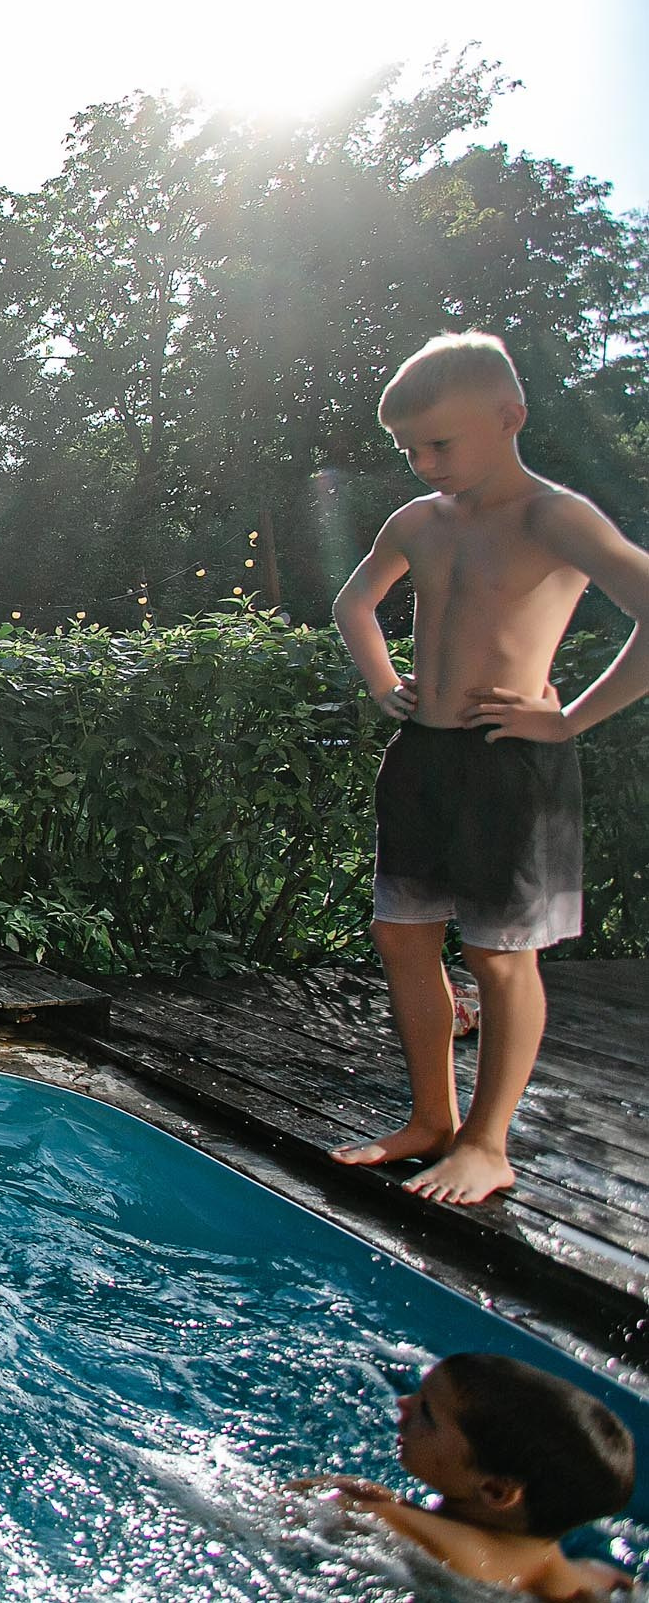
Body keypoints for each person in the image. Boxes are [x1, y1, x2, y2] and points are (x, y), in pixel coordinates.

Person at [329, 331, 649, 1205]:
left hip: (510, 762)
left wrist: (572, 718)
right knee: (402, 935)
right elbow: (353, 601)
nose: (424, 462)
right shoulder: (418, 522)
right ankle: (431, 1118)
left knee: (498, 956)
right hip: (422, 756)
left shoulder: (553, 517)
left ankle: (488, 1142)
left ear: (510, 417)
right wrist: (385, 682)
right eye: (410, 449)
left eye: (441, 443)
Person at [295, 1353, 636, 1600]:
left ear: (495, 1490)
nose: (403, 1403)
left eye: (427, 1412)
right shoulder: (600, 1579)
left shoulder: (387, 1519)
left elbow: (278, 1510)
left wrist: (332, 1491)